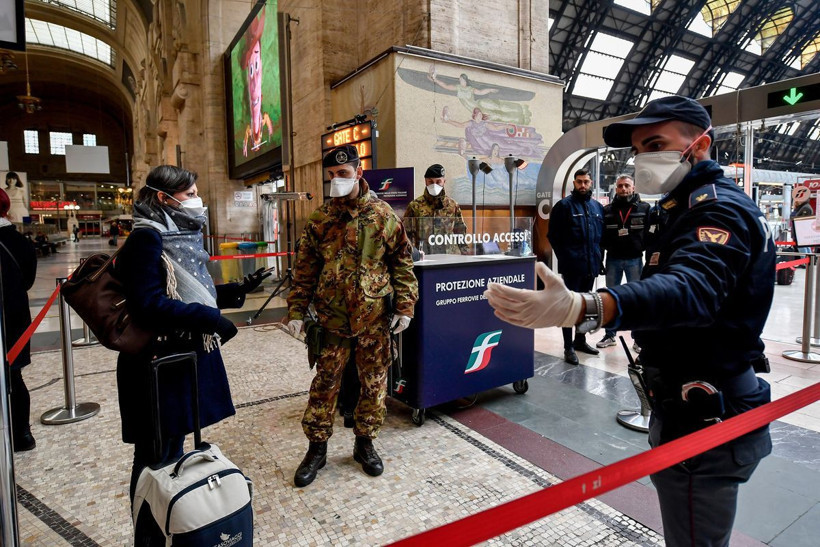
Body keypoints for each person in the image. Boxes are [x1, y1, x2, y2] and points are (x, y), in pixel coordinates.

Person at [485, 95, 774, 547]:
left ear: (699, 145)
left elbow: (690, 289)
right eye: (637, 150)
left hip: (706, 406)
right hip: (680, 397)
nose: (641, 159)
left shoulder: (717, 210)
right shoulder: (679, 207)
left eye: (654, 143)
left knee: (694, 535)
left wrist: (588, 306)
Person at [115, 165, 269, 538]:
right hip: (156, 368)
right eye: (189, 195)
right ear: (161, 198)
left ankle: (172, 528)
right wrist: (210, 320)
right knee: (154, 459)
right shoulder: (146, 239)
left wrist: (235, 290)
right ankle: (148, 533)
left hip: (178, 363)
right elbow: (148, 304)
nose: (196, 202)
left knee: (173, 450)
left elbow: (186, 288)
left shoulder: (179, 237)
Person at [285, 144, 418, 487]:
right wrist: (297, 311)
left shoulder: (383, 215)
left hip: (374, 318)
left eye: (343, 174)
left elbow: (402, 262)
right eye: (331, 176)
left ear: (359, 172)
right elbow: (304, 270)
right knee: (325, 384)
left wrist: (405, 306)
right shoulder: (320, 219)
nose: (336, 181)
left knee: (374, 384)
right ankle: (317, 449)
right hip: (331, 318)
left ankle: (365, 444)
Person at [546, 168, 604, 365]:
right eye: (579, 181)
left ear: (591, 183)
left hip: (591, 265)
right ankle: (568, 347)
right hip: (572, 267)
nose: (582, 185)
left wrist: (599, 260)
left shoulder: (597, 207)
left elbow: (600, 238)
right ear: (574, 182)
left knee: (587, 306)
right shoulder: (563, 206)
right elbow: (553, 236)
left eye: (586, 182)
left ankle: (580, 341)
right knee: (570, 307)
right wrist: (566, 258)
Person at [0, 189, 38, 452]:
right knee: (15, 376)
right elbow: (28, 280)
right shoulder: (21, 242)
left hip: (11, 316)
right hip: (15, 315)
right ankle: (22, 433)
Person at [596, 174, 649, 348]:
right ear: (616, 188)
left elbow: (650, 236)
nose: (623, 189)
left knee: (637, 300)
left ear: (633, 187)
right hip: (613, 260)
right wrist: (601, 260)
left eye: (627, 185)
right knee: (611, 299)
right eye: (620, 186)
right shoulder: (607, 210)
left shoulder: (644, 208)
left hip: (635, 260)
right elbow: (601, 238)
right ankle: (610, 335)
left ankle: (638, 339)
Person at [402, 163, 469, 255]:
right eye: (430, 182)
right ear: (425, 181)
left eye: (438, 182)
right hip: (424, 256)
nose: (434, 185)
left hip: (449, 256)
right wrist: (411, 254)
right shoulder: (415, 206)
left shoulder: (452, 205)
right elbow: (406, 234)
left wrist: (465, 254)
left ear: (444, 182)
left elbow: (460, 231)